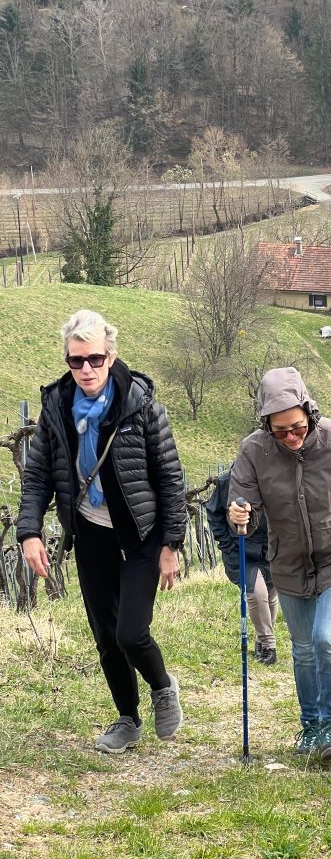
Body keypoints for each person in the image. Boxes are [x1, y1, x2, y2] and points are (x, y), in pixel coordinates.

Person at [17, 309, 186, 754]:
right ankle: (127, 720)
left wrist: (172, 543)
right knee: (106, 637)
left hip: (140, 534)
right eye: (76, 361)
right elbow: (37, 476)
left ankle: (162, 686)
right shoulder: (56, 407)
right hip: (91, 533)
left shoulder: (140, 404)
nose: (86, 369)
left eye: (94, 358)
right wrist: (30, 532)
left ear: (110, 357)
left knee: (131, 633)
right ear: (68, 362)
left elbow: (170, 477)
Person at [227, 367, 331, 761]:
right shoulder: (253, 451)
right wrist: (240, 515)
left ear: (309, 413)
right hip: (288, 562)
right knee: (303, 649)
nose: (291, 437)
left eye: (297, 427)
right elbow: (246, 511)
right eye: (280, 432)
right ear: (266, 424)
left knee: (326, 639)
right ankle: (311, 726)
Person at [206, 469, 279, 665]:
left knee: (271, 594)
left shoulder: (275, 473)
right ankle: (268, 644)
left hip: (271, 547)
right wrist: (228, 545)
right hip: (240, 548)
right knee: (257, 594)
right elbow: (214, 514)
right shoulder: (228, 480)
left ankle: (260, 641)